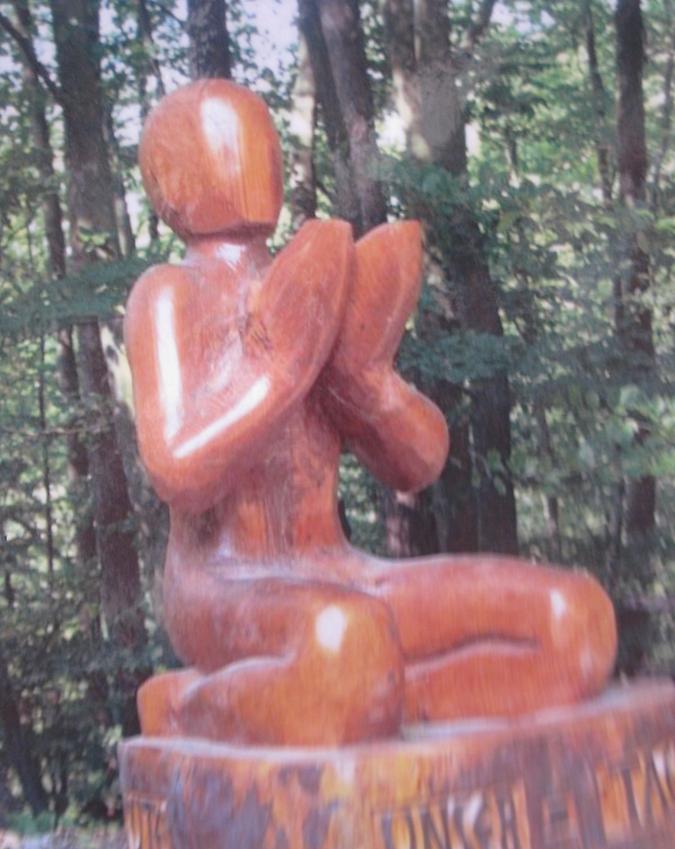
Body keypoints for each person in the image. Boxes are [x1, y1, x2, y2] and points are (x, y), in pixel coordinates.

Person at [125, 79, 617, 745]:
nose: (250, 163)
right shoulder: (168, 294)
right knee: (345, 641)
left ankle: (368, 697)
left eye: (259, 144)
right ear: (171, 179)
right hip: (222, 586)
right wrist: (278, 371)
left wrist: (365, 382)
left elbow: (417, 466)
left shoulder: (311, 281)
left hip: (338, 572)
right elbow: (178, 471)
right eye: (225, 146)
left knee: (573, 619)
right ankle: (193, 706)